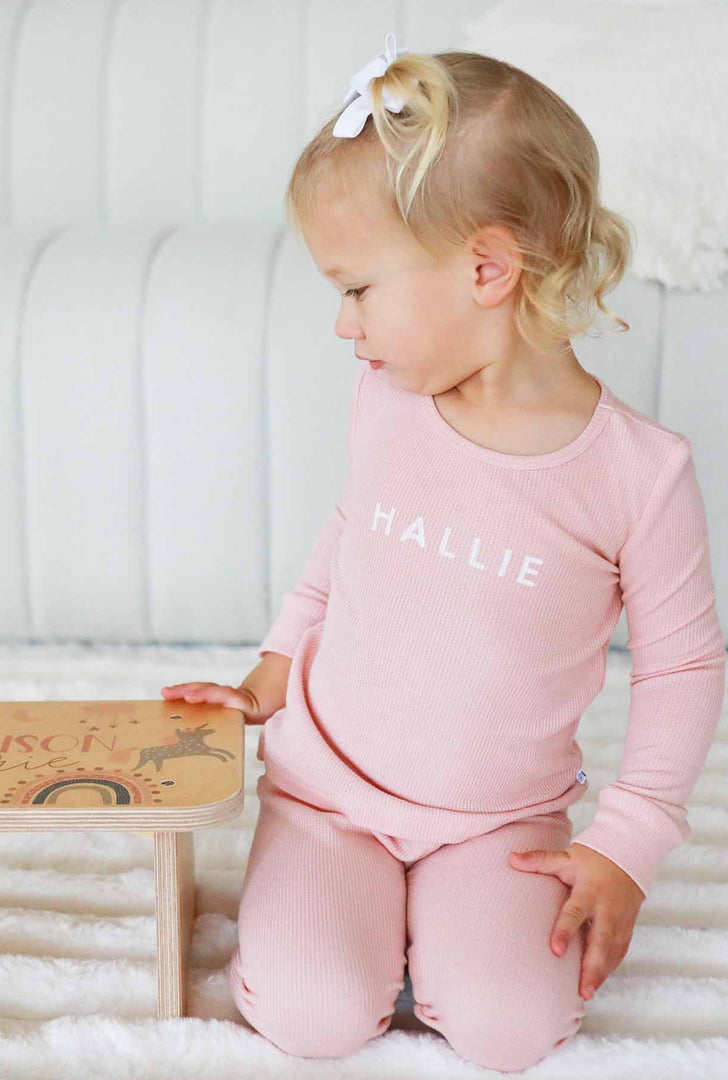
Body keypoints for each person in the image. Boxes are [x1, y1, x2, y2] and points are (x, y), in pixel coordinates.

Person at [160, 34, 726, 1073]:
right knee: (311, 1013)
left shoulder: (640, 474)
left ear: (486, 268)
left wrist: (626, 847)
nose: (342, 323)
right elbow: (351, 534)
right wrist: (274, 671)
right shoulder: (388, 401)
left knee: (514, 1030)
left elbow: (684, 668)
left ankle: (441, 922)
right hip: (330, 795)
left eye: (359, 289)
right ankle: (346, 900)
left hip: (496, 821)